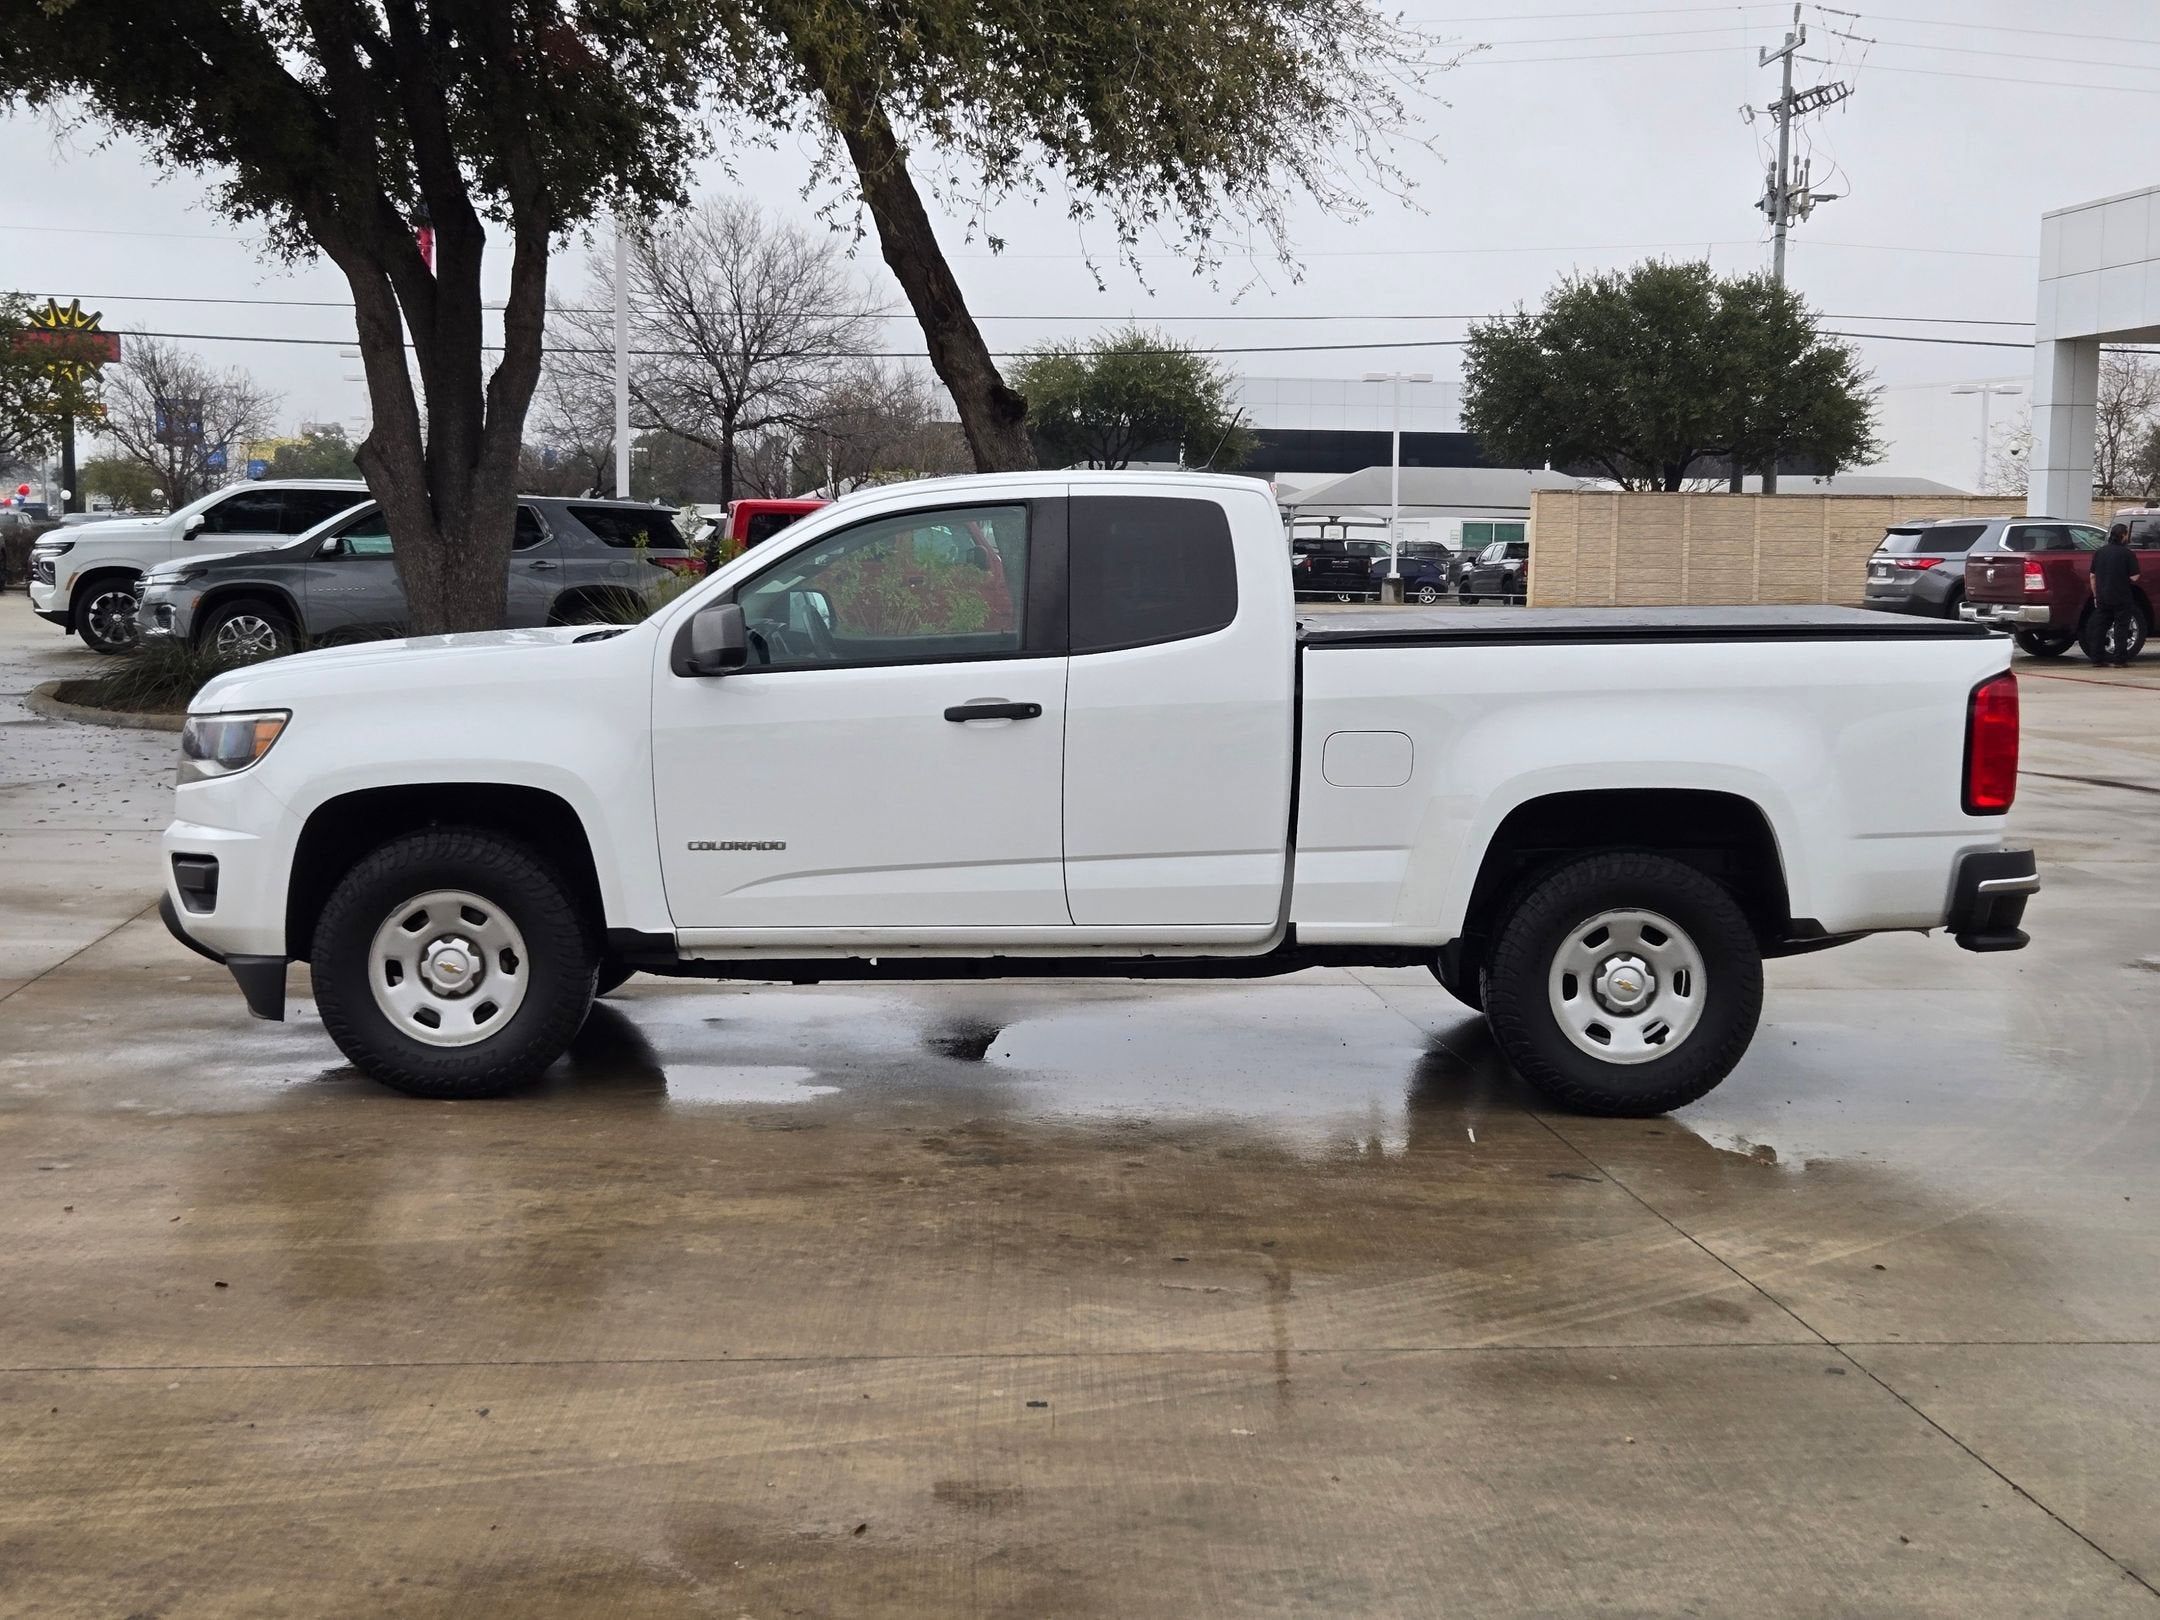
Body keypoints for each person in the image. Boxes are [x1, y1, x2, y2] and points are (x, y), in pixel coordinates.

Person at [2090, 523, 2143, 666]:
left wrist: (2096, 595)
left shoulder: (2100, 552)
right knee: (2121, 627)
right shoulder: (2127, 553)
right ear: (2123, 535)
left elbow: (2092, 576)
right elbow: (2134, 577)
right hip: (2121, 596)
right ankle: (2120, 659)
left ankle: (2096, 658)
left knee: (2100, 626)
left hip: (2102, 596)